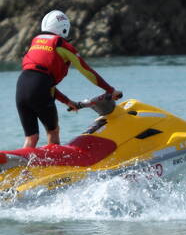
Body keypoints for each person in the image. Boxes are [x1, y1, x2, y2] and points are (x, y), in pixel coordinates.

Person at [16, 10, 120, 148]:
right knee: (53, 132)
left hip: (21, 87)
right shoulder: (61, 45)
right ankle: (54, 168)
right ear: (64, 28)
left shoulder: (34, 44)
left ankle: (22, 168)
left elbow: (39, 81)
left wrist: (67, 101)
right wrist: (110, 90)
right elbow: (87, 71)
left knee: (31, 137)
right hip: (39, 88)